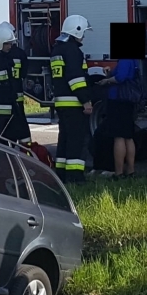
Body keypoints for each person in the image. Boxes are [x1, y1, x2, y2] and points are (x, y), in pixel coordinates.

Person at [49, 14, 93, 182]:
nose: (84, 36)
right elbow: (76, 79)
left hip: (61, 102)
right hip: (74, 103)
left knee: (65, 139)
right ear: (77, 31)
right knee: (77, 140)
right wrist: (85, 100)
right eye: (83, 32)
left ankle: (61, 174)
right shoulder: (73, 51)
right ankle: (75, 177)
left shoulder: (57, 50)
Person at [102, 56, 146, 177]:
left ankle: (119, 172)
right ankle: (131, 170)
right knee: (128, 137)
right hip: (128, 101)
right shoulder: (134, 60)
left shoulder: (125, 59)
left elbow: (120, 78)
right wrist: (110, 73)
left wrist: (107, 80)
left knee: (119, 137)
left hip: (118, 100)